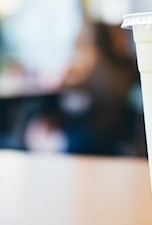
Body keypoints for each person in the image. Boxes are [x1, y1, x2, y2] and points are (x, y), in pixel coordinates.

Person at [26, 20, 141, 155]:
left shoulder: (93, 74)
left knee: (38, 134)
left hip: (91, 141)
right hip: (116, 141)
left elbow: (78, 111)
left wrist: (62, 82)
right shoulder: (122, 70)